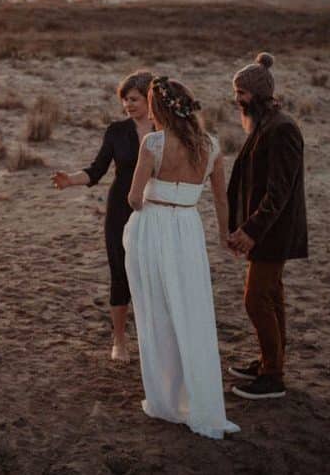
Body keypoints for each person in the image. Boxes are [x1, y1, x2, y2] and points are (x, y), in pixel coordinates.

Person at [122, 76, 240, 439]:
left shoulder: (153, 143)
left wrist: (148, 203)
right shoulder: (213, 147)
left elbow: (133, 198)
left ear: (159, 109)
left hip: (154, 229)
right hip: (188, 231)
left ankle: (166, 400)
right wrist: (225, 237)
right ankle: (201, 401)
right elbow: (221, 201)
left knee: (157, 311)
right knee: (192, 311)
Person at [51, 70, 154, 361]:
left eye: (133, 99)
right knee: (120, 273)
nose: (128, 105)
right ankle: (119, 341)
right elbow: (97, 170)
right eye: (124, 100)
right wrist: (70, 179)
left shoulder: (165, 132)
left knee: (151, 275)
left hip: (156, 209)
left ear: (150, 98)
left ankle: (152, 341)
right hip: (120, 210)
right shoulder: (116, 131)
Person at [226, 52, 308, 401]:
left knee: (256, 298)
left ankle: (273, 376)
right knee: (271, 295)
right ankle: (269, 362)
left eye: (242, 93)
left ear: (259, 94)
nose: (237, 99)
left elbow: (279, 192)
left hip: (274, 231)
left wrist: (251, 231)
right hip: (265, 230)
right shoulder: (264, 124)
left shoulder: (282, 129)